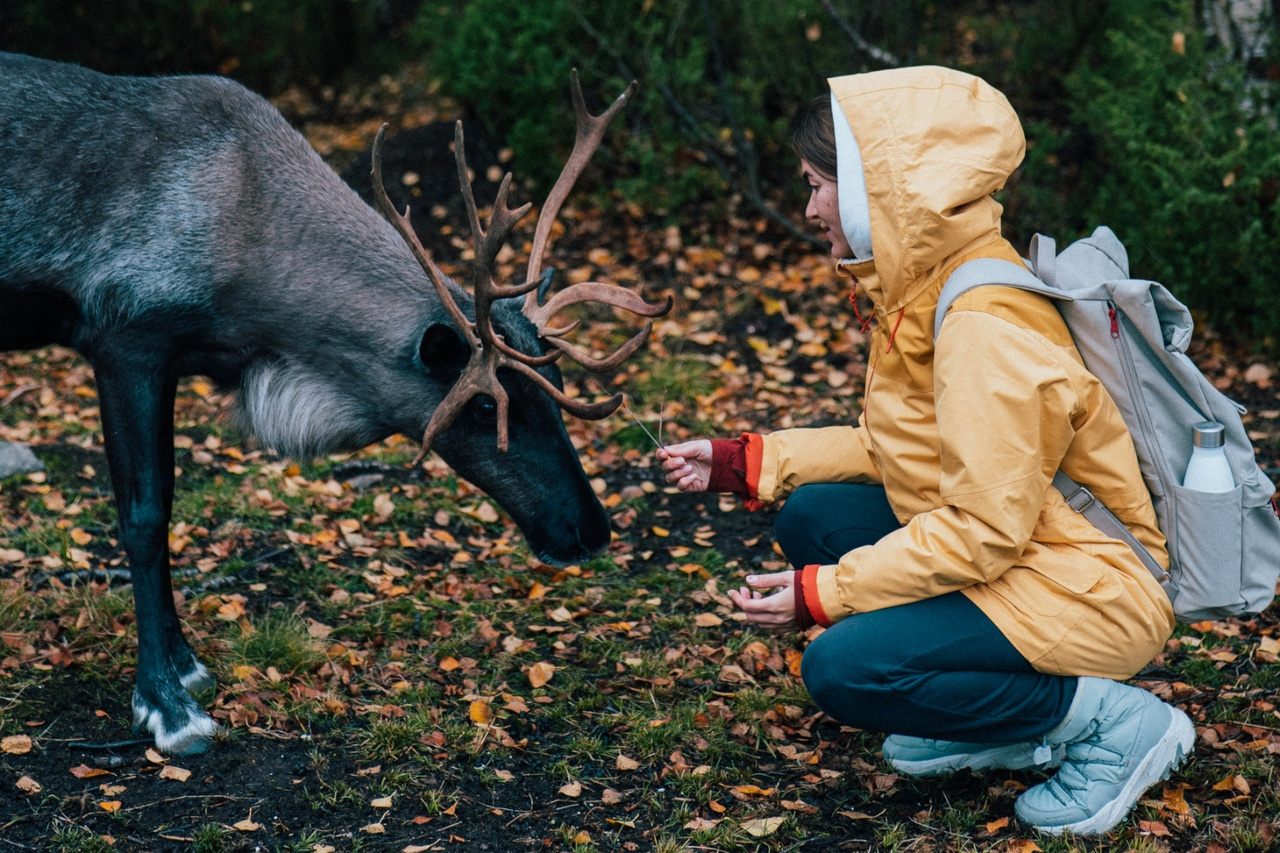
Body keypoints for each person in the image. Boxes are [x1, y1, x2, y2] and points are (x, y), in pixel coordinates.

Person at [657, 66, 1194, 837]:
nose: (809, 208)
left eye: (817, 185)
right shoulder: (925, 285)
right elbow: (900, 450)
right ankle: (996, 718)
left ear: (881, 189)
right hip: (1032, 550)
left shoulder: (983, 323)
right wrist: (750, 461)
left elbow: (981, 530)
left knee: (845, 667)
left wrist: (826, 594)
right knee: (813, 515)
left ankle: (1109, 723)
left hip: (1091, 584)